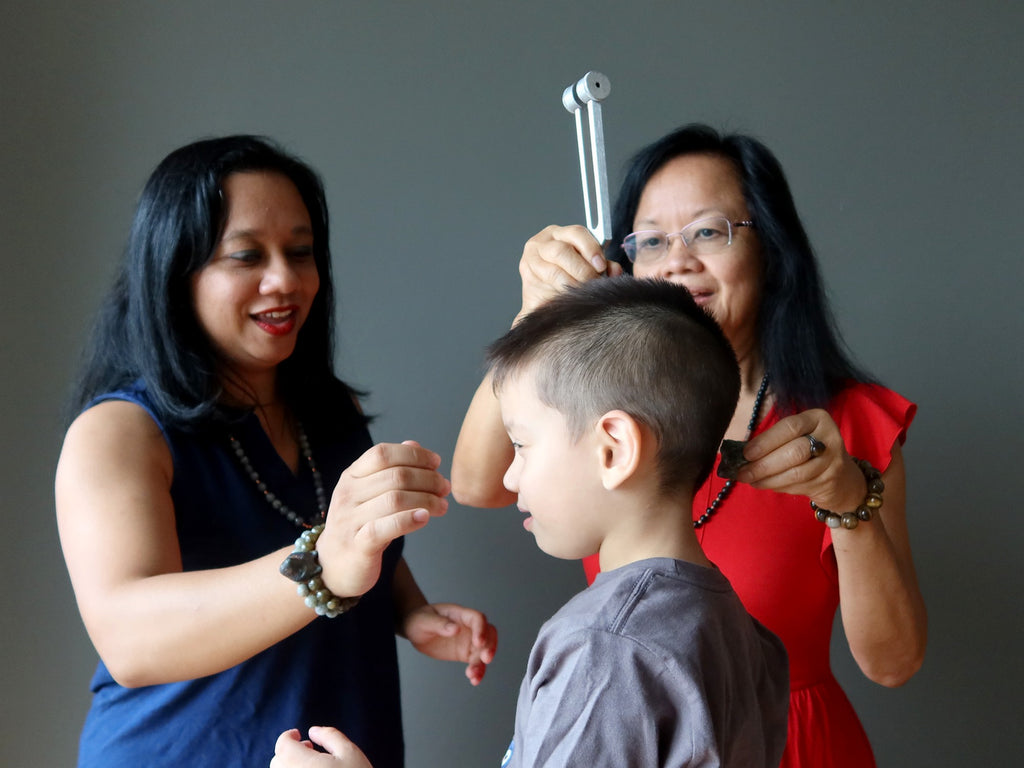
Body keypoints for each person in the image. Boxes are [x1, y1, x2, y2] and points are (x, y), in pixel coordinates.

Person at [451, 124, 926, 768]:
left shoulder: (852, 422)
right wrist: (538, 317)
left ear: (770, 248)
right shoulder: (606, 409)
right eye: (650, 240)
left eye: (708, 231)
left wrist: (848, 500)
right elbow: (480, 482)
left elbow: (892, 663)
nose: (676, 261)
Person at [54, 135, 497, 768]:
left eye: (300, 252)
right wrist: (325, 563)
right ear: (177, 272)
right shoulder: (118, 433)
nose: (285, 280)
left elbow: (347, 537)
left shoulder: (330, 412)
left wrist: (410, 611)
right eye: (246, 256)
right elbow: (130, 639)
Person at [272, 277, 790, 768]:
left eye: (521, 445)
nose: (511, 476)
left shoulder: (606, 648)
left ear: (613, 450)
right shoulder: (744, 632)